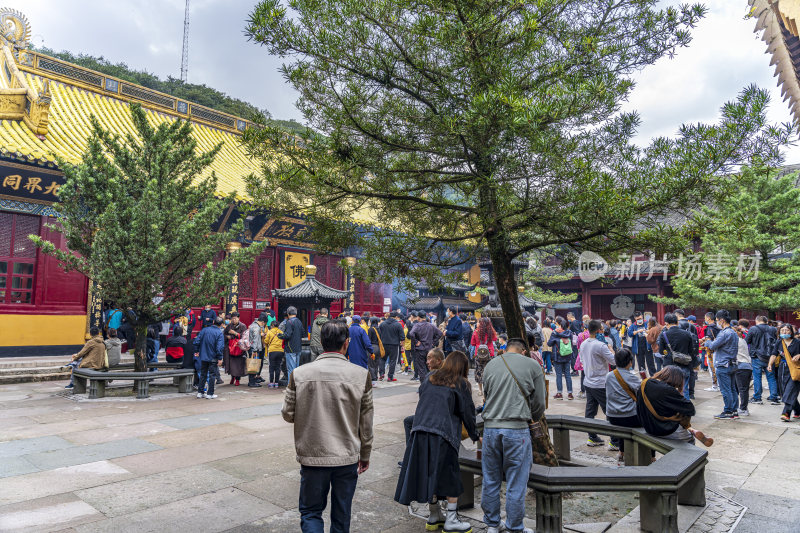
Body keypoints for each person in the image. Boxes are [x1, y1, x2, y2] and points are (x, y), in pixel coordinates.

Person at [282, 320, 374, 533]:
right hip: (347, 455)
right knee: (342, 515)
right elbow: (366, 424)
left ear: (322, 342)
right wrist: (365, 454)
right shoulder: (361, 375)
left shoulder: (300, 373)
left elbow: (288, 414)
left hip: (312, 454)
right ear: (346, 343)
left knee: (311, 512)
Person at [395, 350, 478, 533]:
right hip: (443, 433)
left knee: (429, 473)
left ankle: (434, 516)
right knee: (450, 477)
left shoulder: (431, 377)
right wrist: (475, 435)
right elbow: (468, 413)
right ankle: (451, 520)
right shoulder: (461, 383)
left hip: (420, 430)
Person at [481, 338, 545, 533]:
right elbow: (540, 403)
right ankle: (514, 526)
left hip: (491, 428)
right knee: (516, 481)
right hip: (517, 429)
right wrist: (531, 416)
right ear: (524, 351)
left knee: (490, 478)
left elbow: (487, 395)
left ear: (506, 348)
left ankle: (492, 524)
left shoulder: (491, 364)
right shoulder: (533, 365)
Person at [637, 366, 712, 446]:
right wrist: (680, 394)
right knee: (690, 440)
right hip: (664, 430)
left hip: (647, 426)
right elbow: (690, 409)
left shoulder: (645, 383)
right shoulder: (668, 390)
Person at [401, 347, 446, 457]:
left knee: (408, 422)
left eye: (430, 359)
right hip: (439, 416)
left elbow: (423, 398)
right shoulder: (446, 374)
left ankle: (409, 456)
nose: (427, 362)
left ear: (439, 360)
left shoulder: (431, 376)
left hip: (432, 417)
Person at [578, 320, 616, 448]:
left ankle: (592, 437)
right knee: (609, 411)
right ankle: (615, 440)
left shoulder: (583, 344)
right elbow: (614, 361)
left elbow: (582, 361)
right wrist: (611, 349)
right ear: (599, 330)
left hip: (588, 381)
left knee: (590, 411)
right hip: (600, 383)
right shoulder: (601, 346)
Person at [605, 348, 642, 462]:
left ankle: (621, 452)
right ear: (630, 362)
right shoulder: (632, 377)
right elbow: (642, 392)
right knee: (647, 421)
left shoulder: (609, 376)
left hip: (612, 416)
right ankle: (651, 456)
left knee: (621, 422)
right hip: (630, 417)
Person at [701, 310, 740, 419]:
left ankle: (728, 411)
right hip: (732, 363)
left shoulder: (724, 333)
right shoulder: (733, 332)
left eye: (717, 320)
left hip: (723, 364)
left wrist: (708, 341)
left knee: (726, 389)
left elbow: (713, 345)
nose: (717, 322)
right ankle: (734, 410)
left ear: (722, 320)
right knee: (732, 389)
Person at [657, 313, 696, 401]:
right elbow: (691, 351)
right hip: (684, 365)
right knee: (684, 389)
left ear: (666, 323)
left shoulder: (664, 335)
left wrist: (667, 353)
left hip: (670, 366)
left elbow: (661, 351)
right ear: (677, 322)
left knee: (669, 389)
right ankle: (685, 408)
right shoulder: (687, 334)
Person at [769, 323, 800, 422]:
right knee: (784, 392)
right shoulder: (779, 342)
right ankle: (798, 411)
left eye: (786, 330)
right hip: (782, 369)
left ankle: (786, 413)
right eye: (782, 330)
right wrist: (770, 364)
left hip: (794, 369)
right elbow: (774, 354)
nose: (784, 332)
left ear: (791, 331)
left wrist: (799, 355)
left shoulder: (797, 342)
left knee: (790, 390)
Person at [746, 315, 780, 405]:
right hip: (770, 357)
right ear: (766, 321)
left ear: (757, 321)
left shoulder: (753, 329)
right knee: (771, 377)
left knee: (757, 377)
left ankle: (757, 398)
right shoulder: (773, 329)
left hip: (757, 356)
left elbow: (747, 341)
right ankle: (774, 397)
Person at [193, 317, 225, 399]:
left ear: (213, 322)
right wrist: (220, 358)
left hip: (203, 356)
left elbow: (196, 341)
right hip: (213, 357)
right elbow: (219, 348)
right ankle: (210, 393)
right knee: (212, 375)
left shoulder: (204, 330)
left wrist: (196, 351)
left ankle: (200, 392)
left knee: (203, 374)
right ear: (221, 324)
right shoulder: (219, 333)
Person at [409, 310, 444, 383]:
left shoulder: (417, 325)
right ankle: (430, 383)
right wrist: (433, 342)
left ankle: (424, 385)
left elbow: (411, 334)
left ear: (418, 317)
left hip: (420, 349)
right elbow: (440, 333)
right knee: (429, 367)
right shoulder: (431, 325)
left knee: (421, 368)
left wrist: (416, 342)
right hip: (429, 349)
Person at [470, 317, 498, 398]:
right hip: (490, 354)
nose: (477, 323)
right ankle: (488, 389)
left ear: (481, 324)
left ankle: (480, 390)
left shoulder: (476, 332)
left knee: (479, 371)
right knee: (489, 371)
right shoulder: (491, 332)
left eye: (478, 322)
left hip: (479, 354)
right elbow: (495, 339)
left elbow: (473, 343)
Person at [548, 317, 574, 399]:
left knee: (559, 375)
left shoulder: (555, 333)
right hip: (567, 356)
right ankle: (570, 394)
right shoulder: (569, 333)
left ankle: (559, 393)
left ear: (559, 325)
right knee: (567, 374)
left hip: (557, 356)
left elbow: (549, 343)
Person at [378, 311, 406, 382]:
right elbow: (402, 337)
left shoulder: (382, 324)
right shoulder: (398, 325)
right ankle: (390, 377)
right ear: (396, 317)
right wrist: (402, 346)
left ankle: (381, 374)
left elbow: (379, 335)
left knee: (382, 359)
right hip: (394, 345)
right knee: (393, 361)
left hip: (384, 344)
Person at [627, 311, 655, 377]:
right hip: (638, 347)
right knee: (641, 364)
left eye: (640, 318)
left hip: (647, 346)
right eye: (637, 319)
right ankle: (643, 378)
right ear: (635, 319)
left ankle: (653, 377)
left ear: (642, 316)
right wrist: (637, 331)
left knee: (650, 363)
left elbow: (653, 331)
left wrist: (647, 331)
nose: (639, 320)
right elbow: (630, 334)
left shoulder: (647, 323)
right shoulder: (633, 325)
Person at [279, 306, 304, 378]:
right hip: (298, 348)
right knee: (296, 369)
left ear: (288, 313)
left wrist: (280, 335)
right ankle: (296, 385)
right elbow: (303, 333)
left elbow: (287, 335)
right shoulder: (299, 321)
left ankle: (291, 387)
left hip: (290, 348)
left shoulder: (289, 322)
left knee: (290, 369)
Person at [223, 312, 248, 386]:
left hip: (239, 348)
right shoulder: (229, 326)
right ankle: (232, 377)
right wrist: (228, 337)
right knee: (231, 364)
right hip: (230, 348)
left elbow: (245, 337)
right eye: (232, 318)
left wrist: (235, 333)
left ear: (238, 318)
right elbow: (224, 334)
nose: (234, 320)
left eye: (235, 318)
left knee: (239, 365)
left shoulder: (243, 326)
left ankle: (237, 380)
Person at [734, 320, 752, 416]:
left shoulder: (736, 341)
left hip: (741, 366)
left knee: (742, 389)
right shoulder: (742, 340)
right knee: (741, 388)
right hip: (746, 366)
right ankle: (740, 407)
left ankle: (744, 409)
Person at [702, 312, 720, 391]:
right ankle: (719, 385)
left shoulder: (710, 328)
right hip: (718, 350)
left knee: (712, 368)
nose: (705, 319)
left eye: (705, 318)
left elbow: (709, 340)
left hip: (711, 351)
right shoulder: (718, 327)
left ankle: (715, 385)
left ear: (708, 318)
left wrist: (705, 343)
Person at [245, 315, 265, 388]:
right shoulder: (257, 328)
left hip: (252, 348)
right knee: (254, 365)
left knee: (252, 364)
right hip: (255, 349)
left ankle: (251, 381)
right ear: (262, 322)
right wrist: (255, 350)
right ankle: (252, 382)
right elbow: (255, 340)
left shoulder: (253, 325)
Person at [264, 319, 285, 389]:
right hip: (280, 351)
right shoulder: (281, 332)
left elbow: (266, 341)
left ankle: (271, 383)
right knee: (278, 367)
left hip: (272, 351)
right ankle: (276, 383)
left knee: (272, 367)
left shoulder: (269, 332)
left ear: (272, 325)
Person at [366, 317, 384, 385]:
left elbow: (369, 340)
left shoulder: (371, 329)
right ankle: (375, 378)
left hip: (372, 348)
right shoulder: (379, 328)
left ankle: (373, 380)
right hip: (378, 348)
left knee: (371, 364)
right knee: (376, 364)